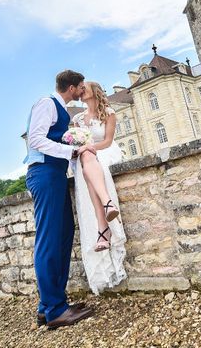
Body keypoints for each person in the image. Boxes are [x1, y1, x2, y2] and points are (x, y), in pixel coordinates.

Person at [24, 70, 96, 330]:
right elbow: (35, 139)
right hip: (43, 174)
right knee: (49, 239)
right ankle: (55, 310)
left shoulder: (62, 110)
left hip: (54, 175)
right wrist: (72, 150)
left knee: (64, 234)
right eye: (80, 87)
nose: (82, 90)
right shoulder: (47, 103)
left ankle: (50, 306)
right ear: (71, 87)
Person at [72, 81, 127, 295]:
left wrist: (89, 147)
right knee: (86, 158)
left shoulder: (109, 113)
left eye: (84, 87)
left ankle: (103, 231)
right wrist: (82, 148)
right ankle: (107, 203)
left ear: (94, 91)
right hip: (89, 158)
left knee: (90, 159)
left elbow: (107, 141)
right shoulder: (77, 119)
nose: (80, 90)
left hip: (106, 152)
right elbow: (79, 143)